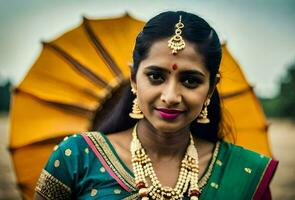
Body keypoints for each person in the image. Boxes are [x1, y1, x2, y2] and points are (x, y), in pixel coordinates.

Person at [34, 11, 278, 200]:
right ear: (133, 78)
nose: (171, 96)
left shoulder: (244, 173)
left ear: (211, 89)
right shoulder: (77, 156)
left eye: (191, 81)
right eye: (156, 76)